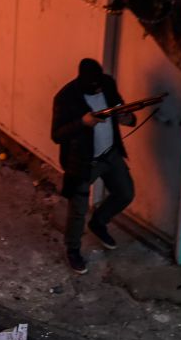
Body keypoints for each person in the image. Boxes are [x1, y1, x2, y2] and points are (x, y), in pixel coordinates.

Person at [51, 58, 136, 274]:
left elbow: (119, 107)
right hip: (82, 162)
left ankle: (99, 222)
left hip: (110, 154)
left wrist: (125, 116)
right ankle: (73, 250)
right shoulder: (66, 97)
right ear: (83, 82)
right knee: (78, 211)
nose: (99, 89)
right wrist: (82, 123)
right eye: (94, 87)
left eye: (100, 85)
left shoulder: (107, 83)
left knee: (125, 192)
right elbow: (57, 135)